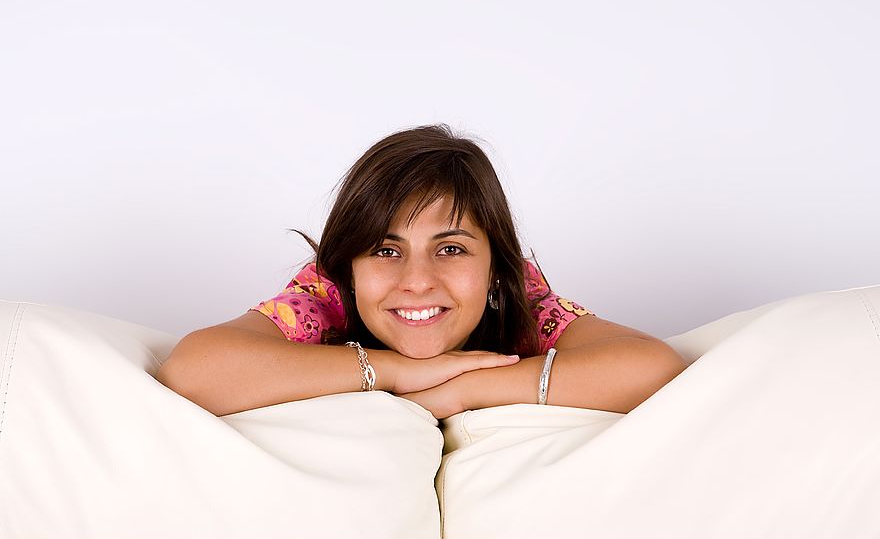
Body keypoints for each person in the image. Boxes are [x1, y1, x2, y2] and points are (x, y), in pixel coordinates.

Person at [156, 124, 688, 418]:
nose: (417, 280)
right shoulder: (328, 293)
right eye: (386, 251)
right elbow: (194, 371)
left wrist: (461, 390)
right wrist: (394, 371)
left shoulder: (515, 296)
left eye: (451, 249)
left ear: (497, 269)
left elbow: (652, 368)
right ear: (349, 268)